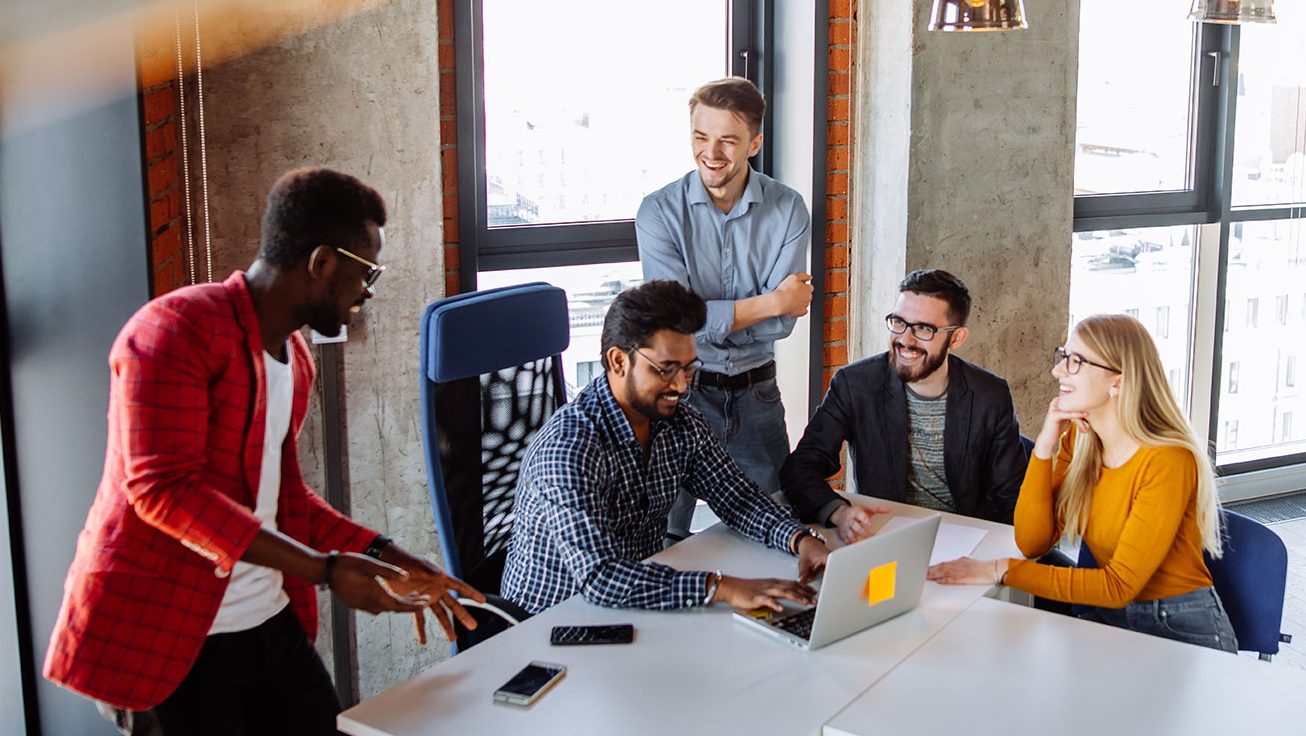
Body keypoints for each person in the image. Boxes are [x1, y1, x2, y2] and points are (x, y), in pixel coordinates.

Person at [44, 168, 485, 736]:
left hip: (268, 623)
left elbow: (287, 499)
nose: (368, 291)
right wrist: (325, 570)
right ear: (322, 262)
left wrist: (389, 553)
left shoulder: (293, 359)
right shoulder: (174, 329)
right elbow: (161, 491)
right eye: (366, 271)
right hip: (173, 641)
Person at [501, 280, 829, 615]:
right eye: (665, 370)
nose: (681, 385)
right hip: (550, 623)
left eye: (688, 368)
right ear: (618, 362)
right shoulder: (569, 449)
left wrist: (801, 540)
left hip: (637, 602)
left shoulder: (679, 422)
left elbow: (737, 499)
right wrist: (721, 587)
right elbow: (601, 577)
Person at [928, 314, 1237, 653]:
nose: (1057, 371)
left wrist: (999, 570)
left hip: (1179, 626)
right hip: (1110, 616)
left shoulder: (1168, 460)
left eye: (1076, 362)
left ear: (1117, 382)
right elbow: (1033, 542)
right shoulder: (1081, 439)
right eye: (1063, 357)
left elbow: (1118, 585)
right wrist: (1044, 447)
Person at [636, 77, 813, 541]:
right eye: (700, 137)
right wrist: (771, 300)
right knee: (662, 536)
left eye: (727, 141)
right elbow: (677, 323)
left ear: (754, 143)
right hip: (680, 394)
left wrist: (719, 314)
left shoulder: (789, 209)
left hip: (757, 396)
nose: (710, 153)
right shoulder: (658, 212)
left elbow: (784, 324)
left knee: (777, 526)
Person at [781, 269, 1027, 543]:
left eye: (924, 328)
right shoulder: (856, 384)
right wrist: (838, 513)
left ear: (956, 338)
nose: (906, 340)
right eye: (899, 322)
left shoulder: (990, 394)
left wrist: (989, 556)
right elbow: (800, 467)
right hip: (884, 536)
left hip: (964, 540)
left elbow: (1010, 500)